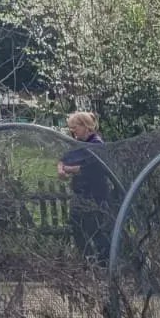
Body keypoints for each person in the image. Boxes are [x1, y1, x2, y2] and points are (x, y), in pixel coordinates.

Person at [57, 111, 111, 263]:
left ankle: (104, 262)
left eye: (75, 127)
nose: (72, 131)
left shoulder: (97, 145)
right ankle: (86, 260)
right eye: (71, 128)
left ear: (86, 127)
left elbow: (88, 168)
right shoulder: (77, 144)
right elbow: (63, 159)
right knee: (77, 226)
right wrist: (61, 168)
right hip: (80, 194)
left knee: (96, 228)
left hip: (95, 196)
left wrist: (69, 169)